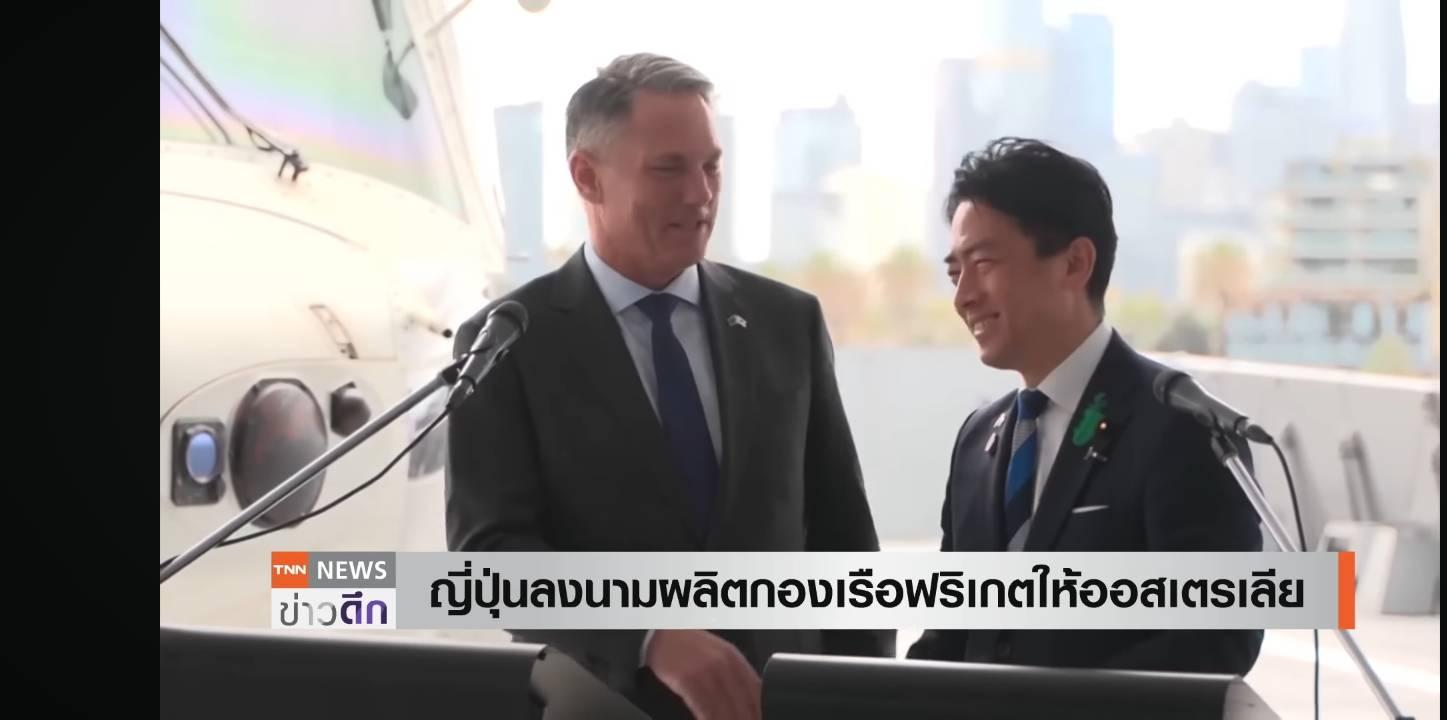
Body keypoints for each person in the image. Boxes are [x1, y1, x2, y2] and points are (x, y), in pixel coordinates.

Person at [445, 53, 893, 719]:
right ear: (586, 176)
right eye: (668, 169)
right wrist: (646, 633)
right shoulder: (509, 341)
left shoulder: (787, 322)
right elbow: (490, 558)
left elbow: (844, 543)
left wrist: (863, 699)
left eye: (711, 166)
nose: (700, 194)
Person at [906, 137, 1264, 676]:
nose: (963, 296)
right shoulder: (976, 442)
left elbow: (1214, 639)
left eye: (984, 263)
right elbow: (950, 638)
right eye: (956, 272)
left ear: (1075, 263)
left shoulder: (1182, 427)